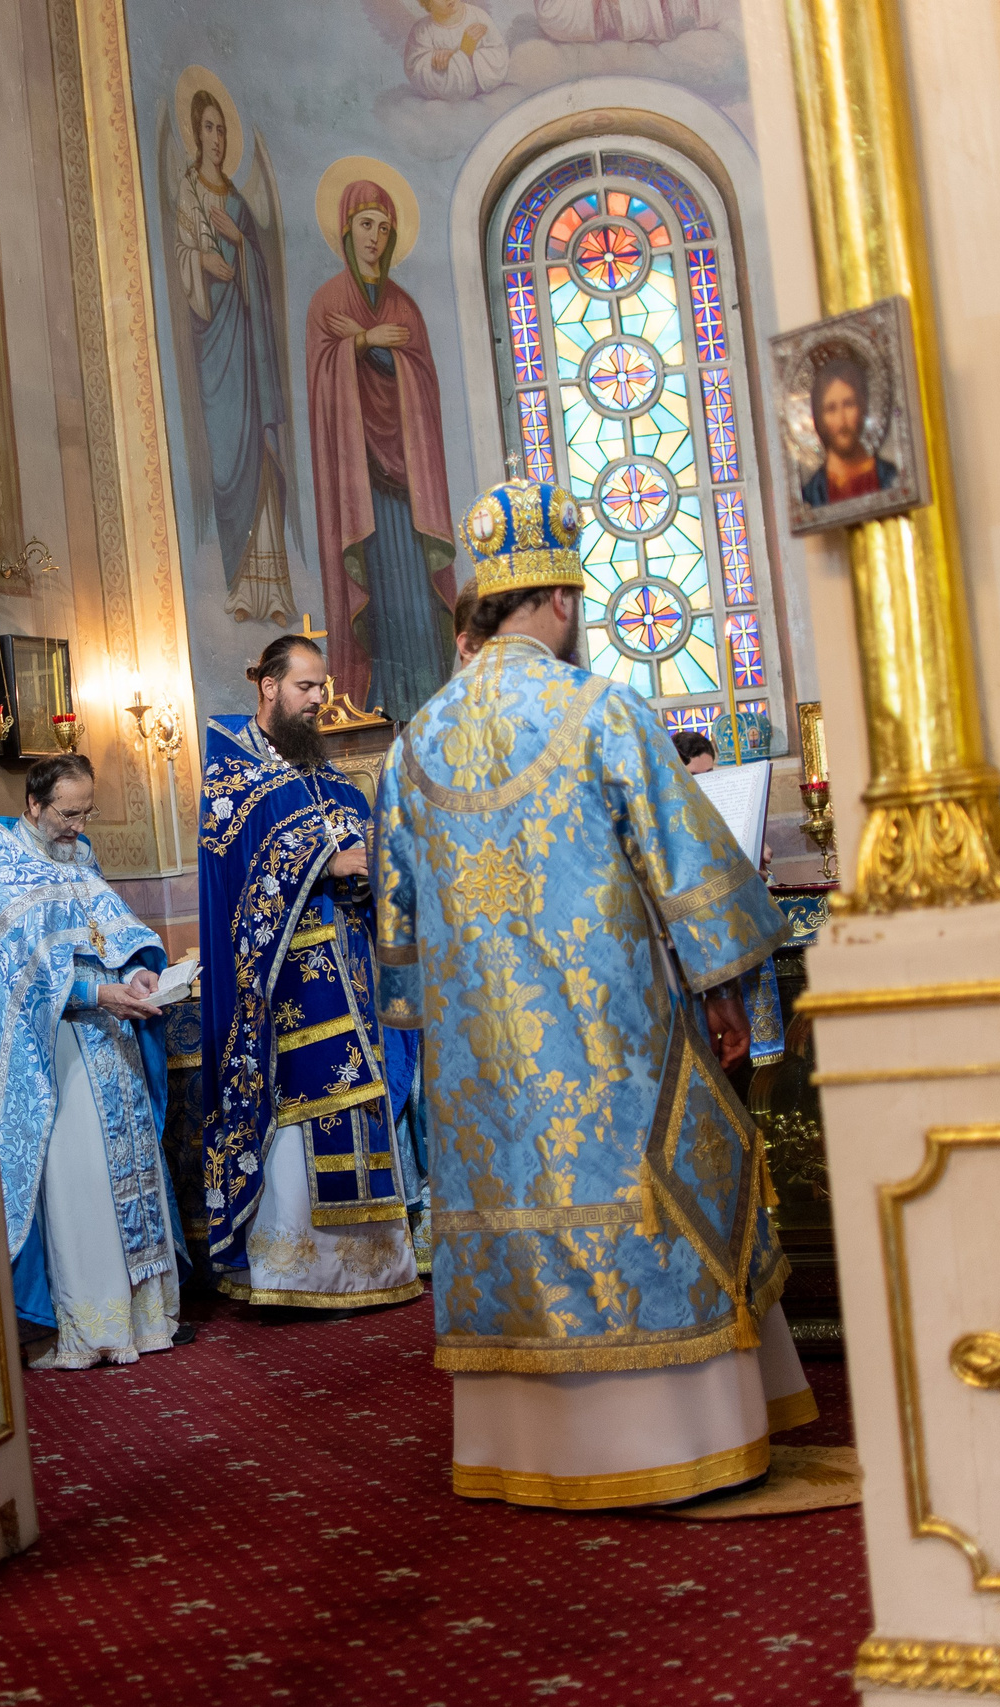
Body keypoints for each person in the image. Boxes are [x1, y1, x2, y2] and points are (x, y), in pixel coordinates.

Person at [374, 474, 813, 1511]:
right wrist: (728, 991)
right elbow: (692, 876)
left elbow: (398, 934)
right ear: (563, 598)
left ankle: (527, 1447)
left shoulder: (413, 742)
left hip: (483, 1073)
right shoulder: (602, 709)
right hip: (609, 1036)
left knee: (514, 1196)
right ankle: (679, 1432)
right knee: (674, 1172)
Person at [199, 635, 419, 1309]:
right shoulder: (233, 778)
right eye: (306, 687)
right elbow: (236, 878)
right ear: (268, 686)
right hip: (284, 983)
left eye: (322, 686)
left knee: (358, 1099)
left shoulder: (329, 779)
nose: (320, 699)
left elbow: (364, 854)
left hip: (350, 970)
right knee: (299, 1110)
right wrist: (324, 862)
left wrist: (369, 869)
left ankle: (371, 1266)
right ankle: (294, 1270)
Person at [0, 755, 188, 1366]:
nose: (78, 826)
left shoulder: (79, 856)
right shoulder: (5, 868)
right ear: (33, 805)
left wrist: (138, 972)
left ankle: (146, 1318)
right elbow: (19, 981)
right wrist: (99, 993)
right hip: (59, 1052)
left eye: (86, 813)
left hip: (113, 1041)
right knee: (86, 1183)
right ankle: (93, 1324)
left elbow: (109, 933)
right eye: (68, 815)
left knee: (134, 1173)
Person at [307, 179, 457, 721]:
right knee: (377, 597)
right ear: (347, 229)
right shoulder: (328, 302)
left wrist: (380, 351)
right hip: (359, 486)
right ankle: (376, 713)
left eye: (385, 228)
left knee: (415, 603)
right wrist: (364, 342)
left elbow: (424, 388)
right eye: (366, 224)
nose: (374, 237)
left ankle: (428, 714)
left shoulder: (405, 307)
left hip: (408, 492)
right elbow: (323, 385)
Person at [170, 83, 296, 624]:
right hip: (214, 344)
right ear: (195, 134)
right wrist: (202, 260)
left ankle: (271, 591)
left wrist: (241, 245)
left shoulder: (238, 204)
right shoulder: (187, 192)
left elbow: (260, 274)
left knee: (261, 455)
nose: (217, 139)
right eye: (208, 128)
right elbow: (180, 252)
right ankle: (238, 589)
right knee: (226, 460)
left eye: (222, 130)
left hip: (249, 348)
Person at [798, 353, 898, 507]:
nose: (841, 420)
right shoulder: (812, 495)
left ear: (862, 407)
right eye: (831, 409)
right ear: (819, 416)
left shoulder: (889, 477)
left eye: (849, 404)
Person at [404, 0, 509, 100]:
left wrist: (464, 55)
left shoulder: (478, 16)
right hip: (446, 106)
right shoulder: (422, 31)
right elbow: (416, 72)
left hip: (487, 98)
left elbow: (500, 56)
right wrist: (439, 59)